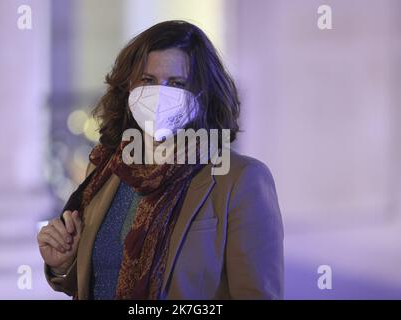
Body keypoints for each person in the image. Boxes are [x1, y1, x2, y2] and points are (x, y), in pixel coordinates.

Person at [37, 20, 284, 300]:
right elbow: (98, 280)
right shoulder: (108, 168)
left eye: (177, 83)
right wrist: (64, 263)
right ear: (128, 86)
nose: (159, 94)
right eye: (148, 80)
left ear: (203, 95)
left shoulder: (241, 179)